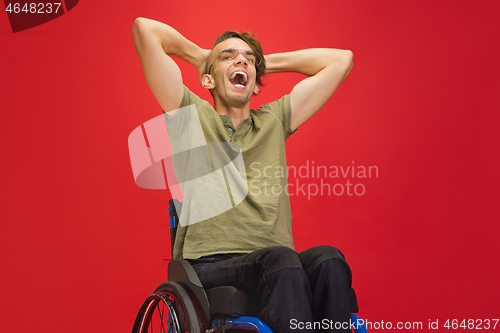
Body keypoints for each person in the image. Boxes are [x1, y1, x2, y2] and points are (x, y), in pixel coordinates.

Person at [132, 17, 357, 333]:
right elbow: (145, 30)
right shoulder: (190, 116)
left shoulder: (275, 120)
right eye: (229, 57)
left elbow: (340, 60)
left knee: (330, 261)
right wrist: (202, 56)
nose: (241, 60)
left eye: (248, 60)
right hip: (209, 265)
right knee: (280, 261)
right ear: (208, 80)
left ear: (256, 79)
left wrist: (259, 62)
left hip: (274, 263)